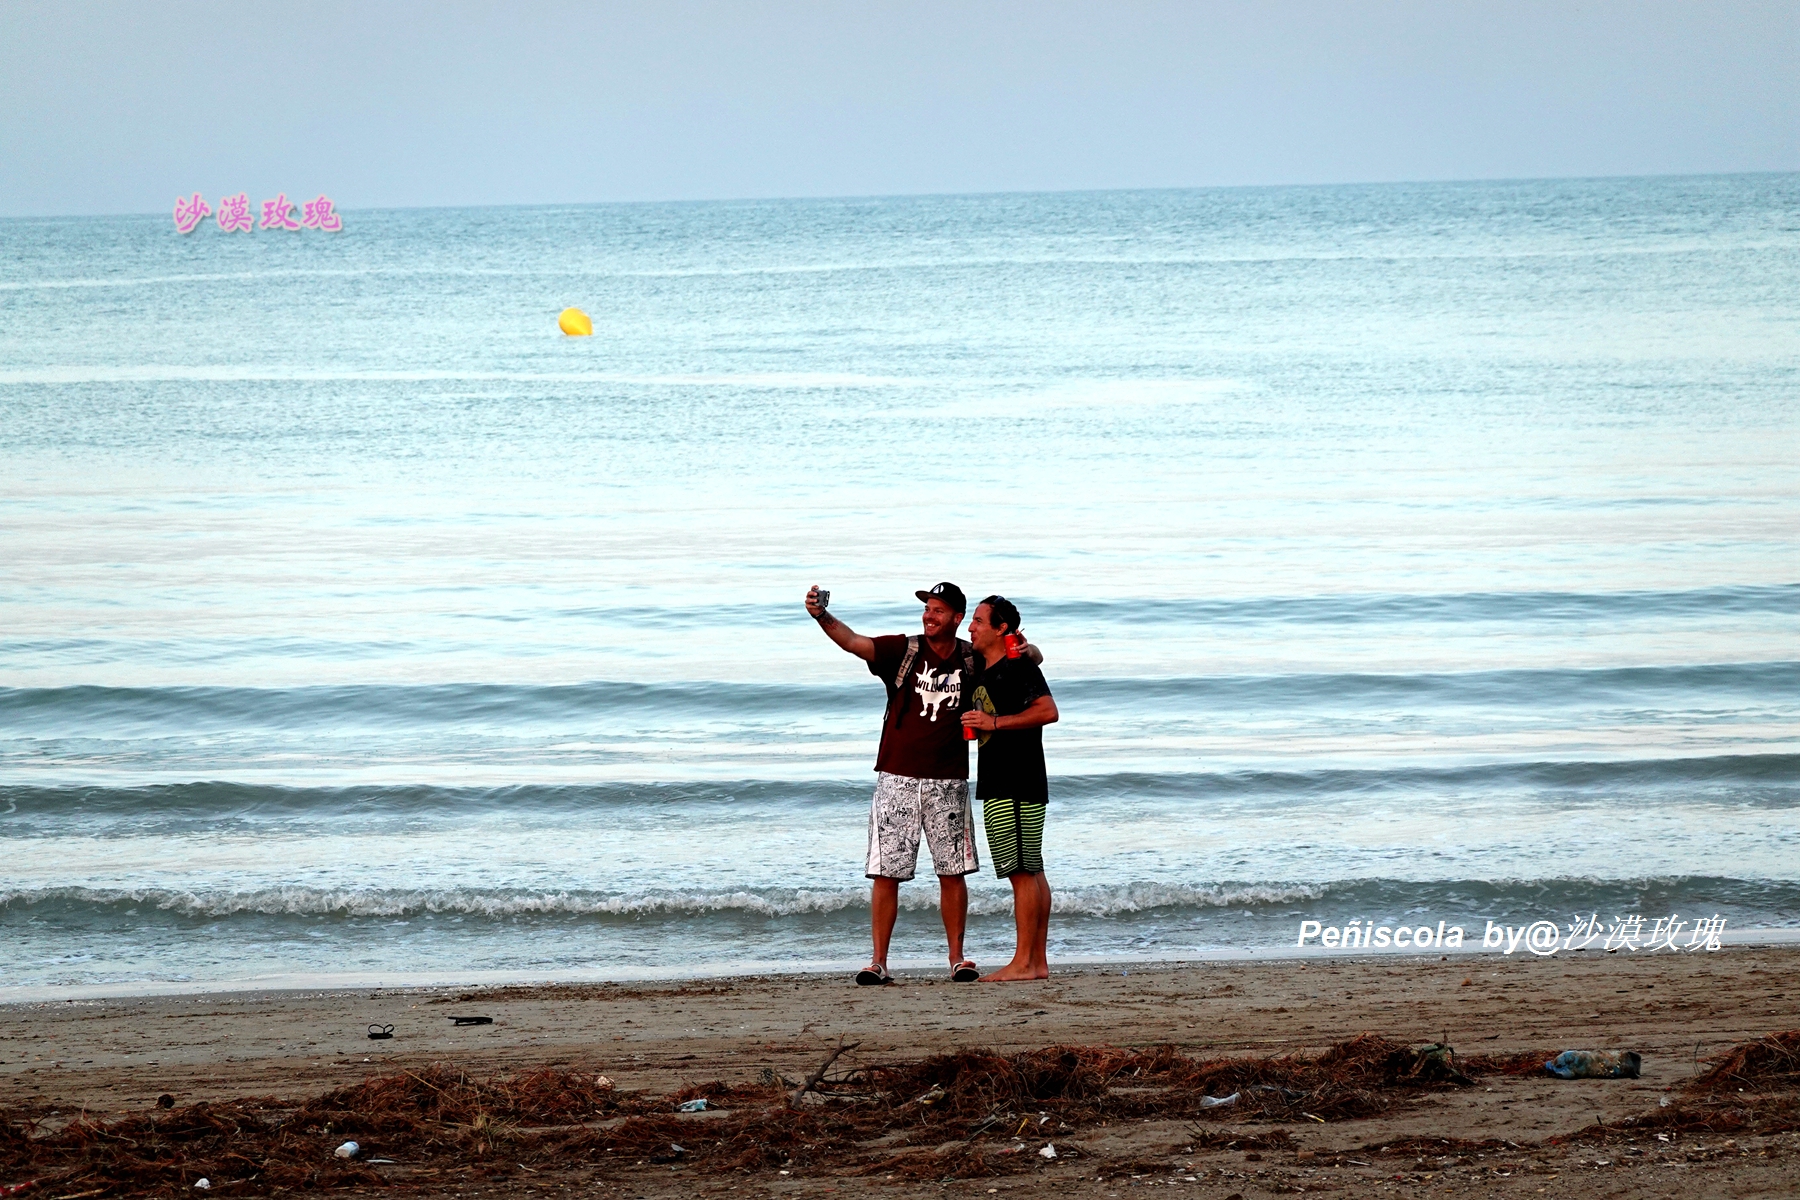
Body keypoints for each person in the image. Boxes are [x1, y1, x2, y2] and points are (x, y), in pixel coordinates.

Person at [805, 581, 985, 985]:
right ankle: (878, 963)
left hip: (949, 781)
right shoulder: (904, 650)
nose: (929, 616)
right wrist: (821, 615)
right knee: (886, 873)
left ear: (957, 618)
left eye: (938, 611)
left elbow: (1025, 660)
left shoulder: (972, 658)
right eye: (927, 609)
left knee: (952, 872)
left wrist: (1028, 649)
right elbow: (853, 642)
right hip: (896, 778)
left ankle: (957, 959)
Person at [960, 595, 1059, 981]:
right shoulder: (987, 668)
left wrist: (994, 723)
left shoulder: (1017, 666)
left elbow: (1048, 711)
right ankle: (1037, 963)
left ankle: (1023, 962)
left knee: (1021, 872)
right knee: (1032, 869)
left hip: (1015, 779)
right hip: (1009, 778)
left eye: (978, 621)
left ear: (1001, 629)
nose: (971, 627)